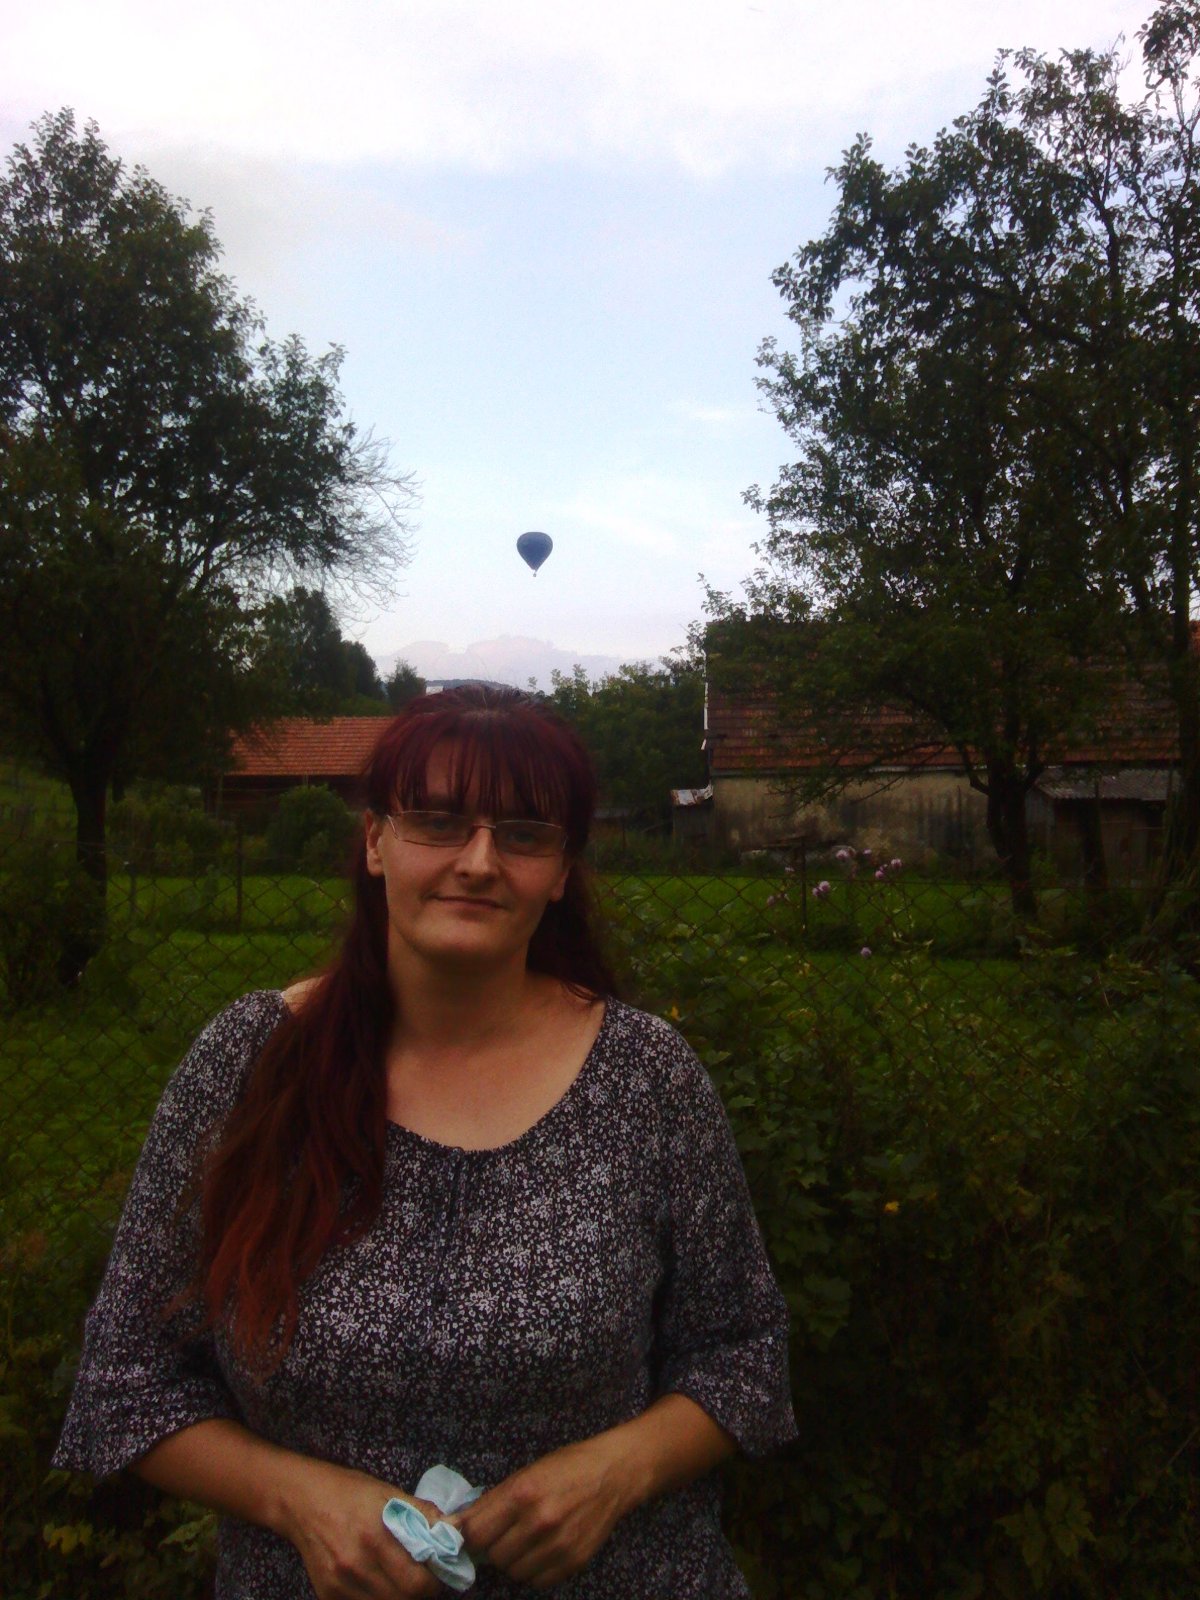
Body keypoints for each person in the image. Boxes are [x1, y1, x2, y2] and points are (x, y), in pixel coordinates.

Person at [55, 685, 796, 1598]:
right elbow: (125, 1381)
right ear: (375, 841)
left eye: (523, 834)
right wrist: (296, 1501)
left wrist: (620, 1471)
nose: (478, 862)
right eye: (439, 823)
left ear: (561, 871)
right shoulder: (250, 1064)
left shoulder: (647, 1078)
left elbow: (744, 1352)